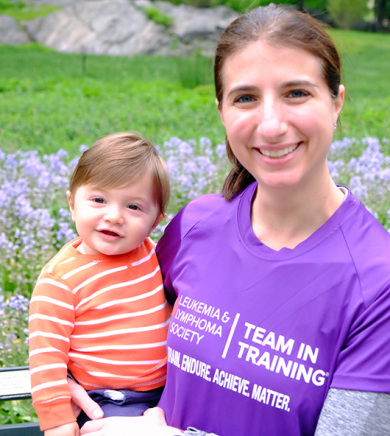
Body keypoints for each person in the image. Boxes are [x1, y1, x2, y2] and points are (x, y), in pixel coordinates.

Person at [69, 5, 390, 436]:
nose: (272, 125)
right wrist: (70, 379)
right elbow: (112, 310)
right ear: (222, 111)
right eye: (246, 98)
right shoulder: (196, 225)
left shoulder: (377, 284)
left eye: (297, 92)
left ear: (337, 102)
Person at [29, 132, 172, 435]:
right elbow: (46, 357)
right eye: (98, 200)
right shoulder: (61, 279)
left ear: (155, 221)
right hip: (108, 400)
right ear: (72, 202)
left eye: (134, 207)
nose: (114, 216)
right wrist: (58, 422)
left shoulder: (151, 253)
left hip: (167, 393)